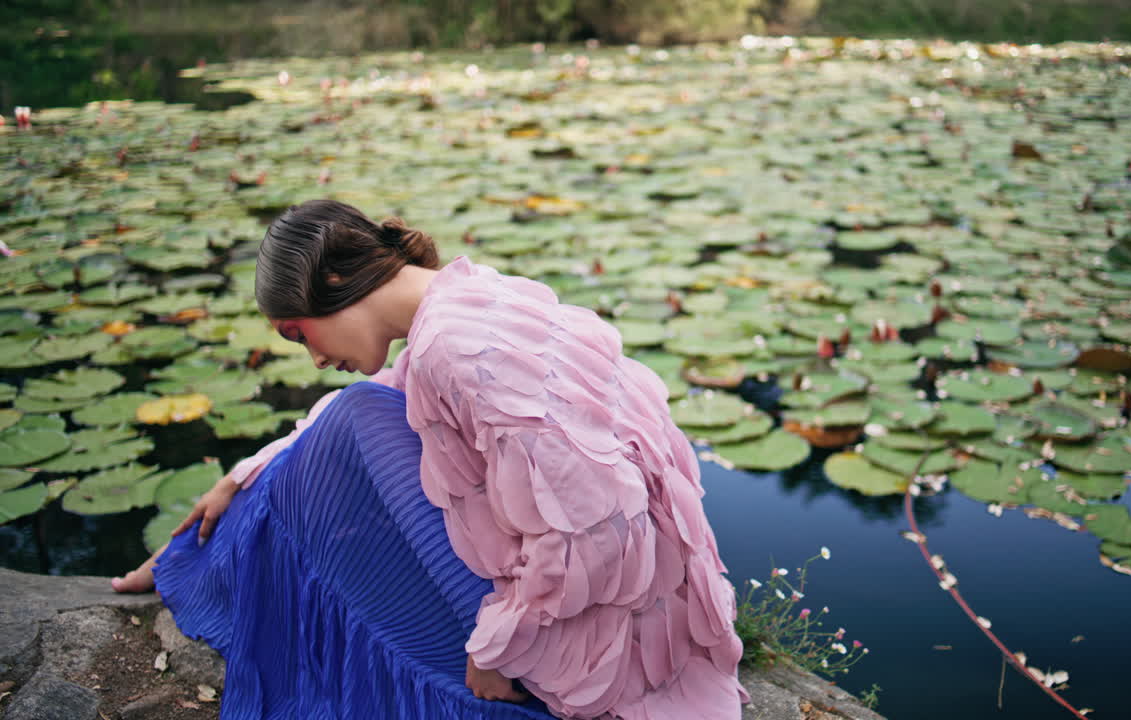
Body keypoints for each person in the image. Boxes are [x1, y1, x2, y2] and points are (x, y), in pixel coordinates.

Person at [113, 200, 749, 719]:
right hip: (645, 601)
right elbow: (381, 399)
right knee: (349, 414)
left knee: (349, 419)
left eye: (299, 334)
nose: (312, 359)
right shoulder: (466, 300)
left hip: (595, 617)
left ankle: (198, 571)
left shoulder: (453, 346)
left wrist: (501, 643)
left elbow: (602, 523)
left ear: (332, 281)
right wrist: (238, 476)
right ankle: (198, 559)